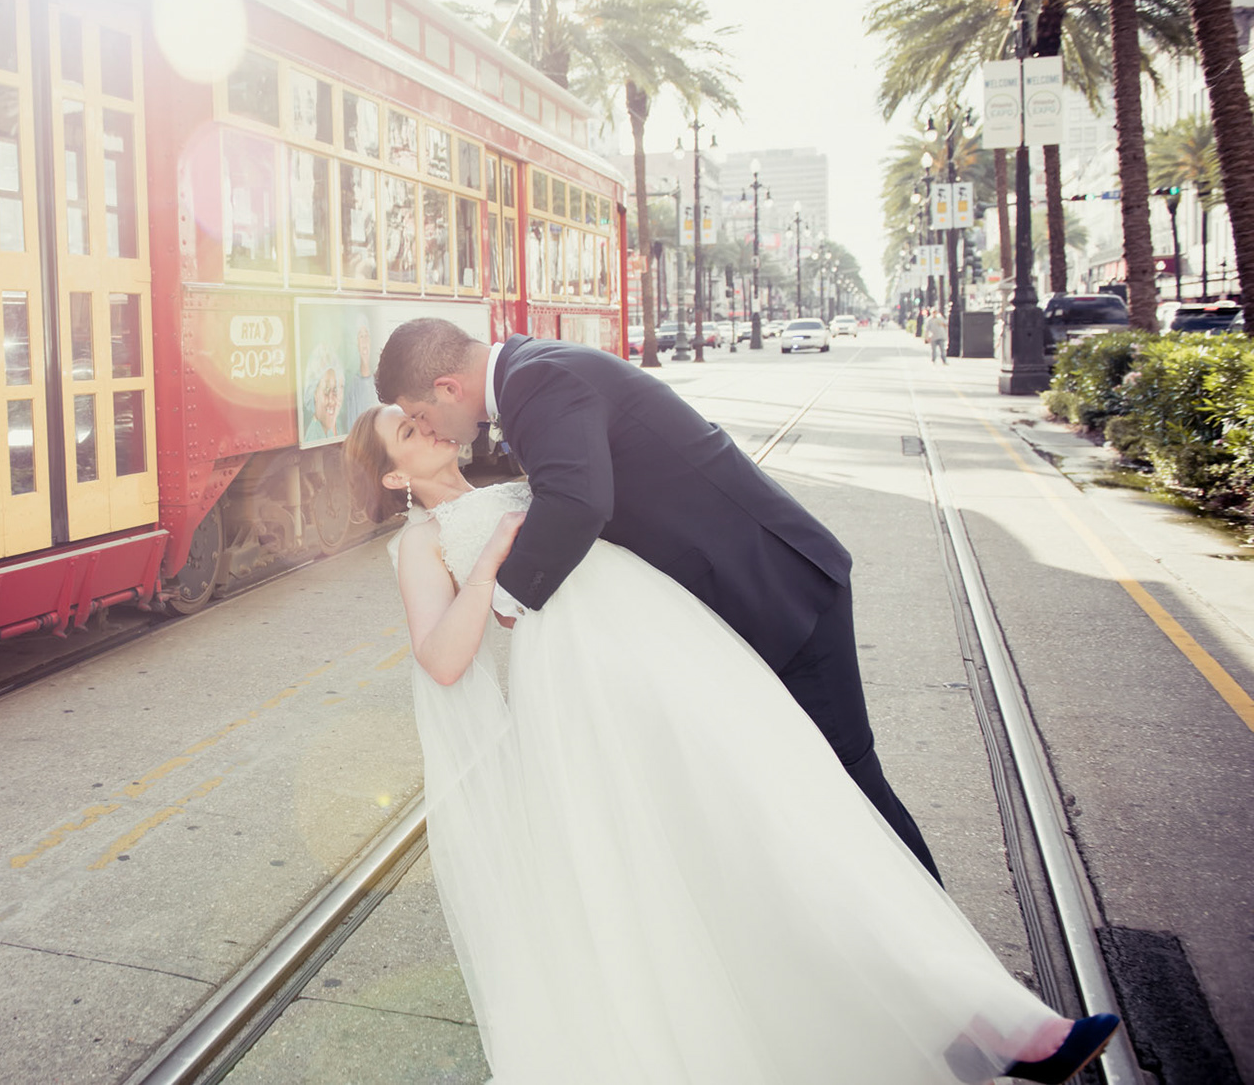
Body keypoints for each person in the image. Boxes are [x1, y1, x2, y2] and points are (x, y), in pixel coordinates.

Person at [345, 402, 1121, 1083]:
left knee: (795, 821)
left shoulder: (517, 481)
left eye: (418, 417)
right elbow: (442, 660)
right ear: (390, 478)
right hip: (601, 699)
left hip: (675, 657)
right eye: (404, 433)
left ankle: (982, 1023)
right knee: (742, 847)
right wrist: (488, 568)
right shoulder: (424, 542)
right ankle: (979, 1030)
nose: (424, 428)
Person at [376, 318, 938, 876]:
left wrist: (504, 595)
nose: (431, 428)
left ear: (448, 388)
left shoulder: (535, 382)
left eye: (422, 415)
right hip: (731, 605)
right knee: (787, 788)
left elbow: (577, 501)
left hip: (776, 593)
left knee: (850, 785)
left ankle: (936, 944)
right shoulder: (535, 370)